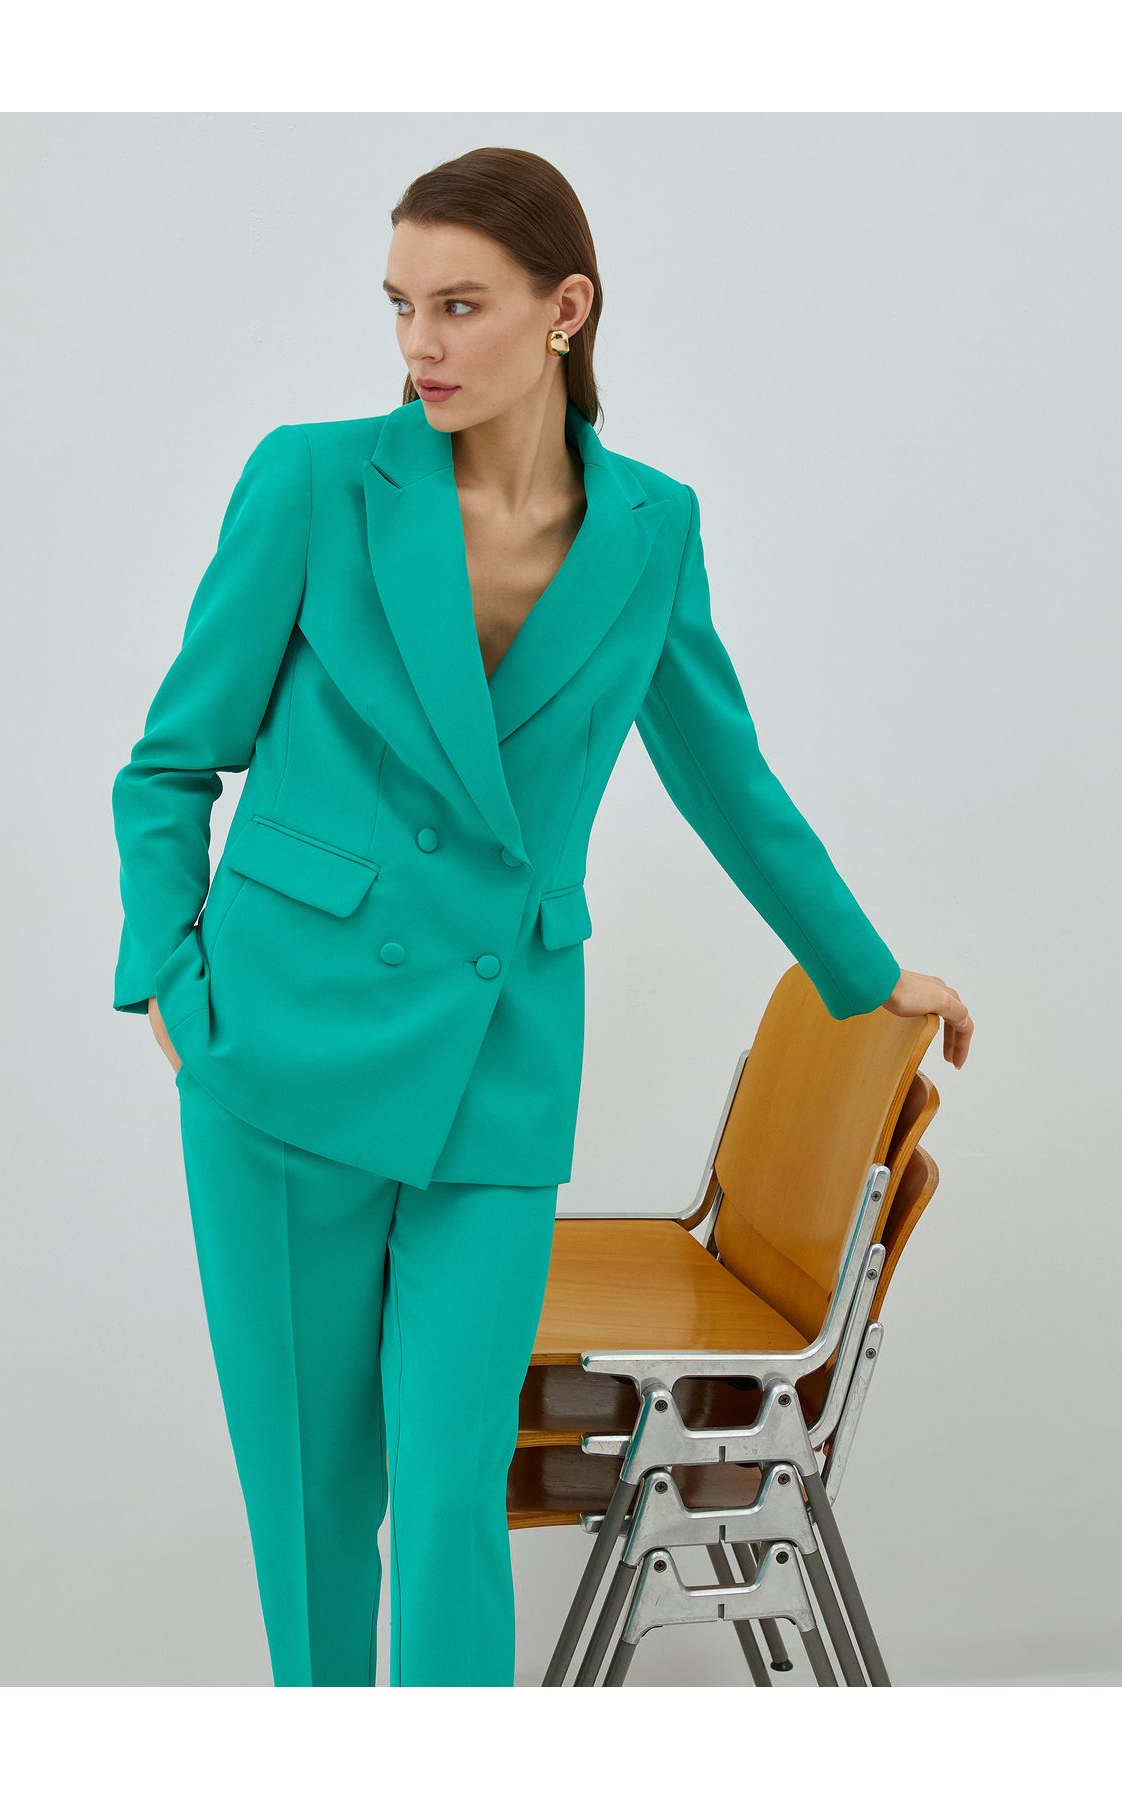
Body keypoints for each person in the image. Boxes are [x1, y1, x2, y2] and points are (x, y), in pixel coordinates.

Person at [110, 145, 973, 1688]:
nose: (418, 345)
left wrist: (864, 970)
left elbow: (726, 778)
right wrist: (174, 987)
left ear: (566, 310)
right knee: (314, 1505)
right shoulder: (313, 483)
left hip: (496, 1064)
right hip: (277, 1047)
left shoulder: (650, 528)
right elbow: (172, 764)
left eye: (459, 305)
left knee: (452, 1495)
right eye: (399, 306)